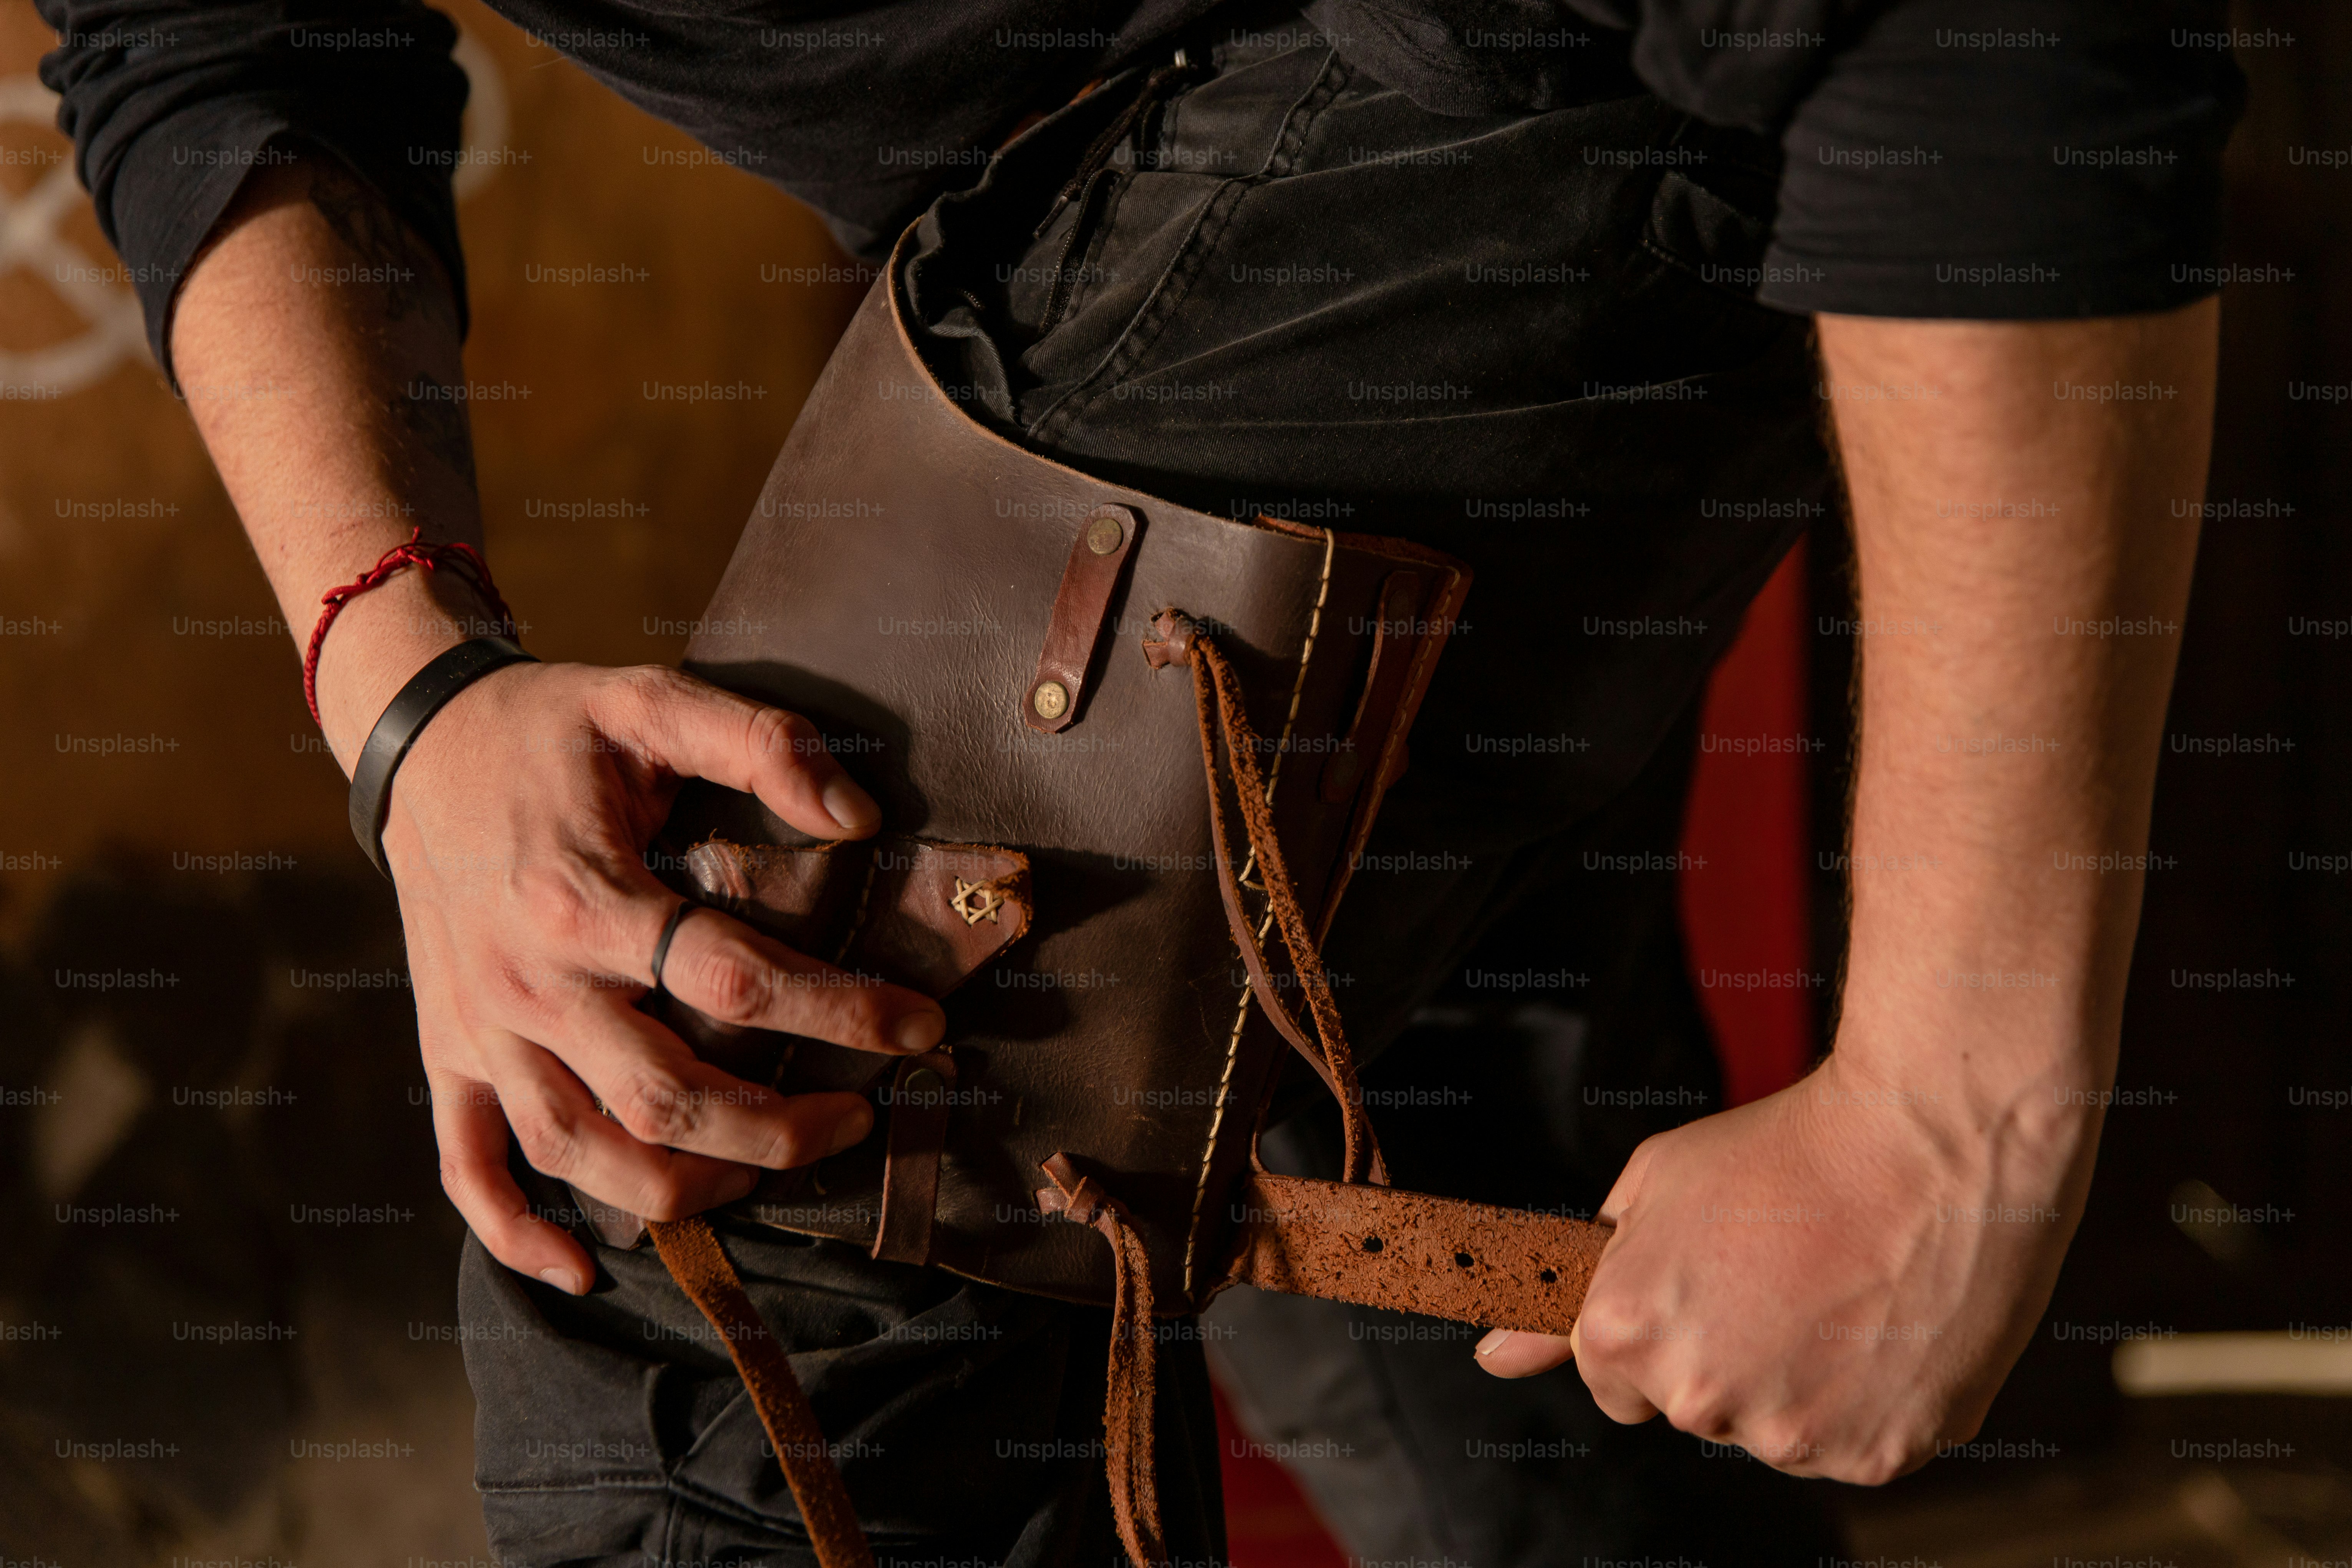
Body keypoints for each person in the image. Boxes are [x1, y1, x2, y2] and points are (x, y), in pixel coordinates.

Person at [39, 1, 2241, 1563]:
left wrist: (1957, 1111)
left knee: (743, 1238)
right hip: (1077, 183)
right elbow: (208, 37)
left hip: (1518, 92)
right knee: (1402, 1211)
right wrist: (411, 698)